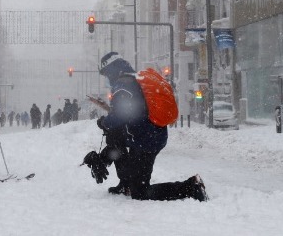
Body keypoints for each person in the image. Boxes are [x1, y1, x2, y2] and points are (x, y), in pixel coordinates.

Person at [83, 52, 207, 202]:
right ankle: (126, 183)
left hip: (146, 141)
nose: (107, 78)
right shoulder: (134, 79)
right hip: (149, 135)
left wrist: (104, 122)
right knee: (116, 138)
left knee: (140, 192)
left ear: (112, 70)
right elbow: (128, 116)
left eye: (107, 73)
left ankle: (191, 187)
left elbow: (118, 116)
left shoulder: (123, 86)